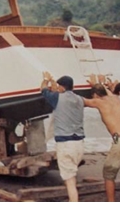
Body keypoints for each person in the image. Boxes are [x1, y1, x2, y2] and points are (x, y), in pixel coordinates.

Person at [40, 72, 85, 202]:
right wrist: (55, 86)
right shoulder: (80, 99)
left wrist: (46, 80)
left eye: (59, 86)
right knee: (71, 176)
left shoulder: (57, 98)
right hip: (80, 144)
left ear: (62, 87)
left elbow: (43, 89)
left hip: (66, 144)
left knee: (70, 181)